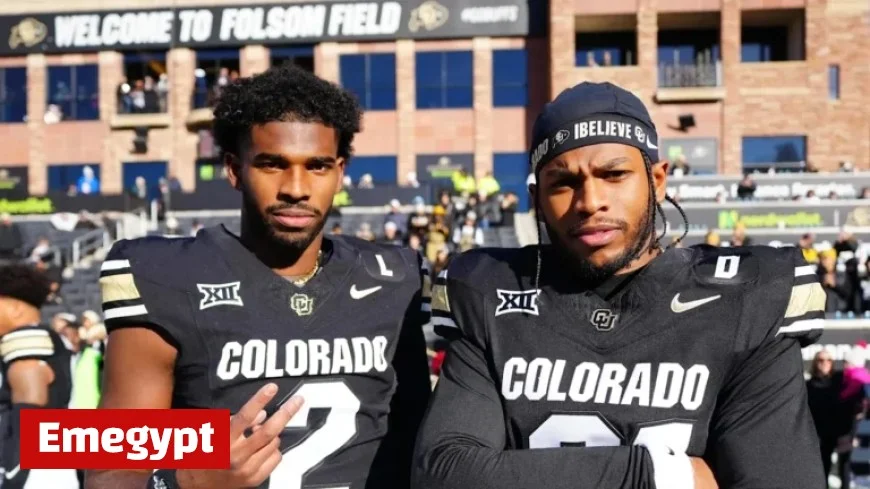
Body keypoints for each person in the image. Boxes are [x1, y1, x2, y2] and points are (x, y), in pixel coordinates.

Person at [413, 82, 826, 489]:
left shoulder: (746, 298)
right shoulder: (491, 292)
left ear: (657, 181)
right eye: (563, 183)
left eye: (613, 174)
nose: (590, 201)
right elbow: (445, 473)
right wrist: (661, 476)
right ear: (538, 200)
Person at [87, 64, 431, 489]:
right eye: (273, 164)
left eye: (318, 166)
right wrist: (186, 483)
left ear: (340, 172)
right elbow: (109, 469)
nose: (296, 187)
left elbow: (423, 446)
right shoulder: (166, 276)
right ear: (234, 169)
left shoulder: (396, 277)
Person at [0, 264, 76, 489]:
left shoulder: (26, 339)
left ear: (14, 308)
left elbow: (30, 411)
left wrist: (13, 475)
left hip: (32, 473)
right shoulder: (48, 338)